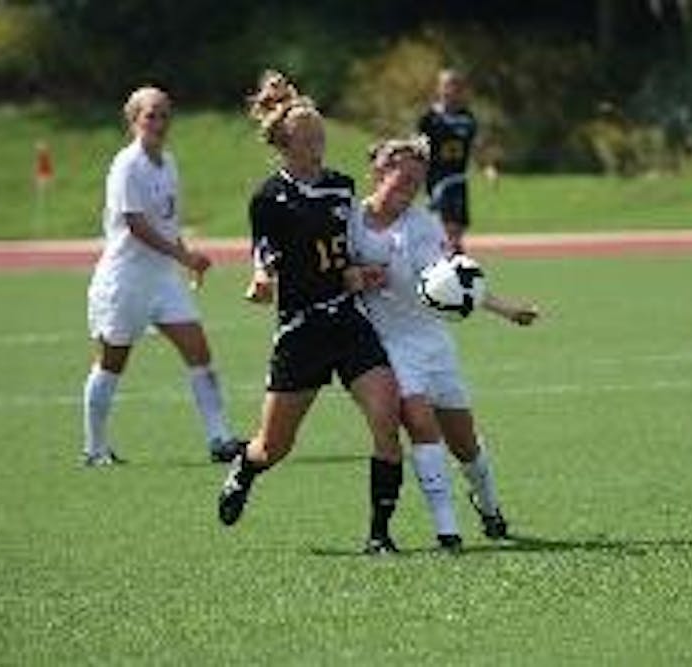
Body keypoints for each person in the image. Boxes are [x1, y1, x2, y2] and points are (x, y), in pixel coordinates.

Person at [217, 71, 406, 556]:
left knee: (387, 417)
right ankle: (245, 467)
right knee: (273, 447)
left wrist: (362, 271)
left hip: (347, 320)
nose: (320, 141)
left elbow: (346, 251)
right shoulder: (268, 198)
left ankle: (379, 536)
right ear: (285, 143)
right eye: (310, 136)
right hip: (301, 331)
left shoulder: (342, 187)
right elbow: (264, 253)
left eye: (321, 132)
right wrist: (262, 279)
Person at [350, 134, 540, 547]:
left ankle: (489, 507)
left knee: (465, 443)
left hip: (433, 342)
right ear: (378, 173)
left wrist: (504, 308)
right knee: (419, 423)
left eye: (417, 183)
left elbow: (453, 283)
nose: (409, 191)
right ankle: (446, 528)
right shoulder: (349, 220)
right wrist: (354, 276)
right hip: (388, 344)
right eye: (402, 180)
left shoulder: (423, 224)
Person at [82, 86, 244, 466]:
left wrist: (186, 256)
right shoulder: (127, 165)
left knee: (199, 352)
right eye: (150, 114)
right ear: (134, 120)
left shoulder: (168, 162)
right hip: (125, 281)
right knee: (111, 363)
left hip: (163, 280)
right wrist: (182, 256)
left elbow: (168, 223)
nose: (158, 122)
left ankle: (220, 438)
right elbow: (136, 225)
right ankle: (94, 449)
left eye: (164, 114)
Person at [417, 69, 477, 251]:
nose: (451, 90)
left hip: (457, 179)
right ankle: (440, 268)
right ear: (439, 88)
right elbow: (419, 146)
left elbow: (476, 146)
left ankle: (457, 271)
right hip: (436, 180)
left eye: (455, 85)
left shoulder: (467, 118)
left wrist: (488, 167)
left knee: (457, 229)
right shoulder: (429, 118)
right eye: (447, 85)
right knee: (439, 229)